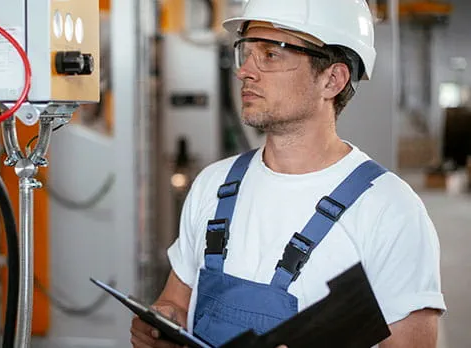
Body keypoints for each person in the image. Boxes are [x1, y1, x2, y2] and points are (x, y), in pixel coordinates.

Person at [130, 0, 446, 347]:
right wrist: (165, 319)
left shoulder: (391, 210)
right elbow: (176, 300)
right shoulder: (214, 184)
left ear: (332, 80)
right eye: (245, 52)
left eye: (271, 54)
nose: (245, 71)